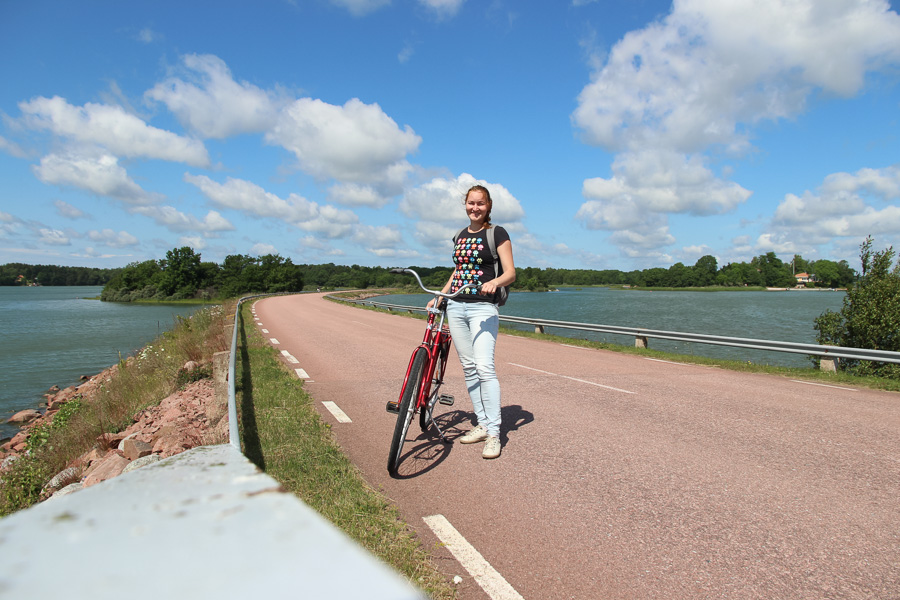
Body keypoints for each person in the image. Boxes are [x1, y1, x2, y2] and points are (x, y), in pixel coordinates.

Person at [428, 184, 516, 459]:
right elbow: (459, 271)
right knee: (468, 367)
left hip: (482, 309)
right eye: (470, 203)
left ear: (488, 206)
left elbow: (511, 272)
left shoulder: (496, 233)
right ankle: (482, 422)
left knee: (484, 367)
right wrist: (441, 296)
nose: (475, 208)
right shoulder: (459, 235)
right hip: (456, 306)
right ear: (465, 205)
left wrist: (494, 282)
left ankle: (494, 433)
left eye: (480, 203)